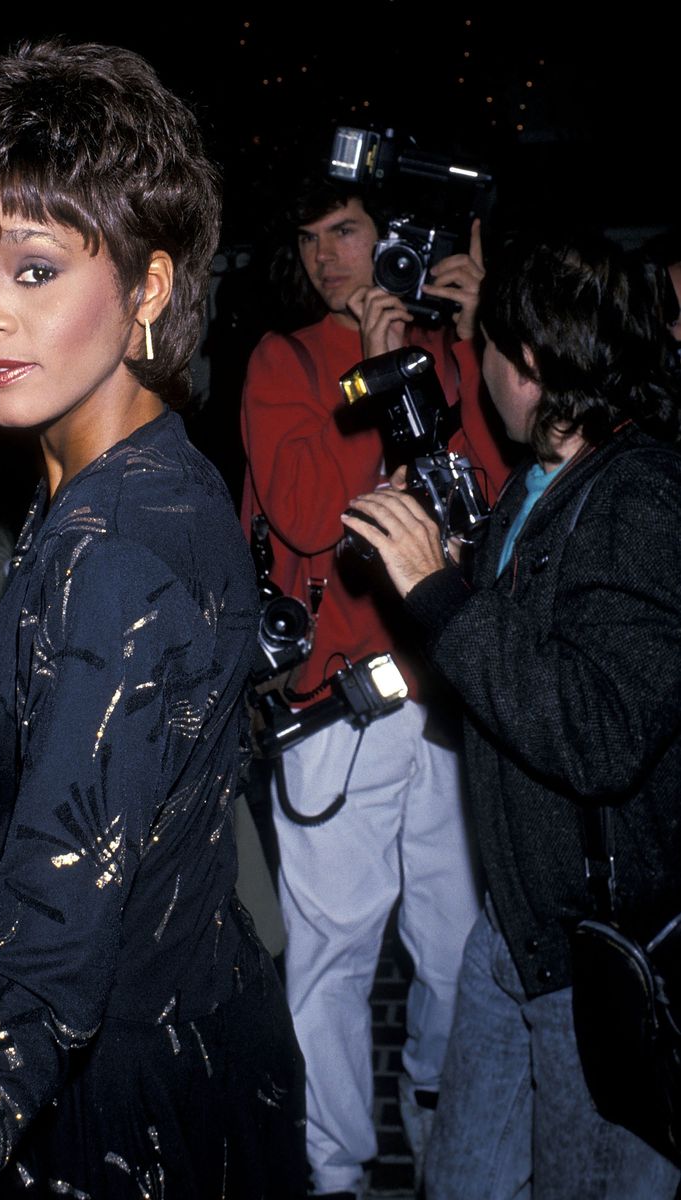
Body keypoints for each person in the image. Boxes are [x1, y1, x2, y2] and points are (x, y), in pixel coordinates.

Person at [0, 39, 306, 1199]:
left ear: (150, 287)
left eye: (35, 269)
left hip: (121, 1108)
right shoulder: (136, 470)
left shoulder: (116, 546)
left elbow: (49, 974)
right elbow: (132, 813)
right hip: (203, 1020)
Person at [342, 230, 681, 1198]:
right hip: (519, 928)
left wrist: (438, 592)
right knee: (467, 1182)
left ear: (524, 358)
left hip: (602, 951)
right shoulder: (541, 485)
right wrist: (432, 582)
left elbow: (598, 735)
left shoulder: (644, 498)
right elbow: (496, 689)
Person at [239, 177, 514, 1197]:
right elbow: (310, 516)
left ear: (390, 236)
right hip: (334, 704)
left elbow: (503, 489)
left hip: (448, 693)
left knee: (453, 947)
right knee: (332, 958)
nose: (327, 257)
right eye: (309, 238)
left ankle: (442, 1114)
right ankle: (334, 1167)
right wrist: (365, 369)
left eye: (345, 231)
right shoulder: (288, 359)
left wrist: (484, 335)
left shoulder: (454, 356)